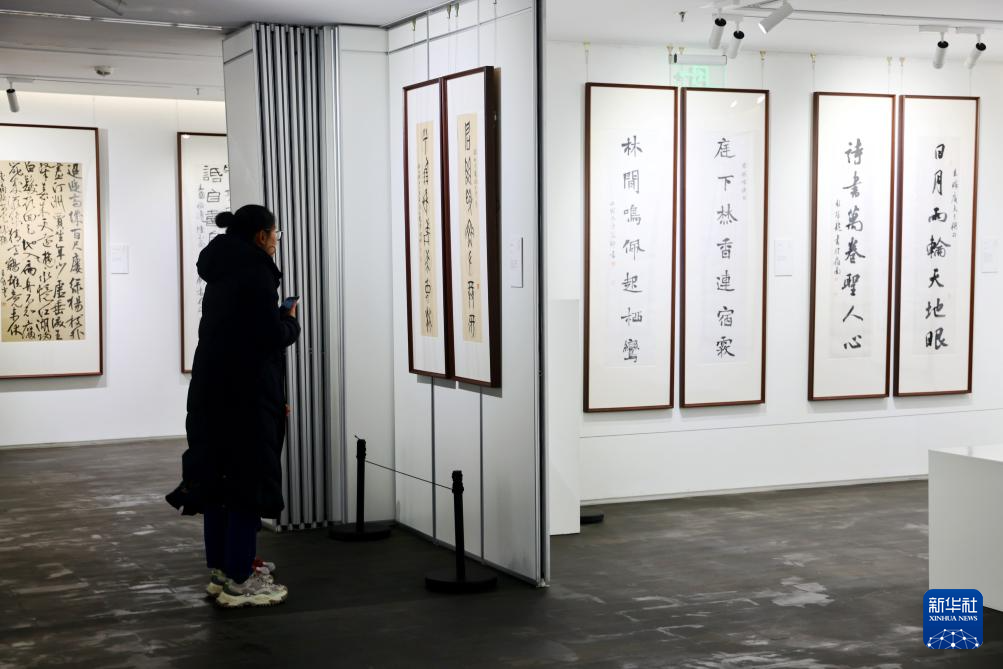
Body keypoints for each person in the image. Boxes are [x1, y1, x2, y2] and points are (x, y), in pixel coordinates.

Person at [166, 204, 300, 608]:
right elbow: (266, 338)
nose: (276, 242)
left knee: (218, 482)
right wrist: (290, 321)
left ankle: (223, 570)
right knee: (246, 484)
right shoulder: (256, 272)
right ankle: (240, 581)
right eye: (275, 235)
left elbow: (239, 334)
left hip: (211, 392)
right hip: (245, 397)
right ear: (261, 235)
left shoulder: (221, 270)